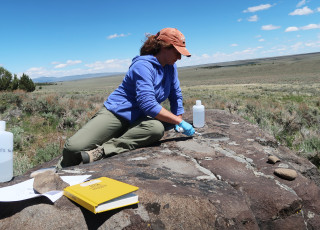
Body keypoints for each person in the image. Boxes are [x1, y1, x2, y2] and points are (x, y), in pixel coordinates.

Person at [59, 28, 195, 168]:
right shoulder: (143, 65)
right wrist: (178, 121)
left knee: (156, 129)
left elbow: (175, 94)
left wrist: (178, 120)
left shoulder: (171, 67)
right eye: (177, 52)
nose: (179, 57)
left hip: (141, 117)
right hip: (117, 113)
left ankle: (102, 151)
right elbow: (148, 104)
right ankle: (59, 170)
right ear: (164, 47)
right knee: (73, 148)